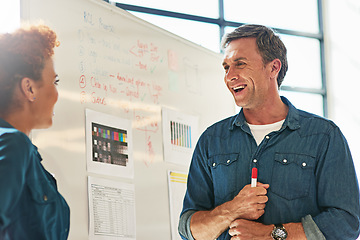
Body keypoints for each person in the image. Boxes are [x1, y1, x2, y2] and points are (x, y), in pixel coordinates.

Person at [178, 24, 360, 240]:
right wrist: (233, 209)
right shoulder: (211, 141)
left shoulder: (324, 136)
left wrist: (271, 234)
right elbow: (189, 229)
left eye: (240, 64)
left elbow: (346, 224)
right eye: (226, 67)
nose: (230, 76)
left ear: (273, 68)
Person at [0, 24, 70, 239]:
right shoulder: (14, 144)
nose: (57, 94)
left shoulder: (26, 153)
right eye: (54, 81)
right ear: (29, 88)